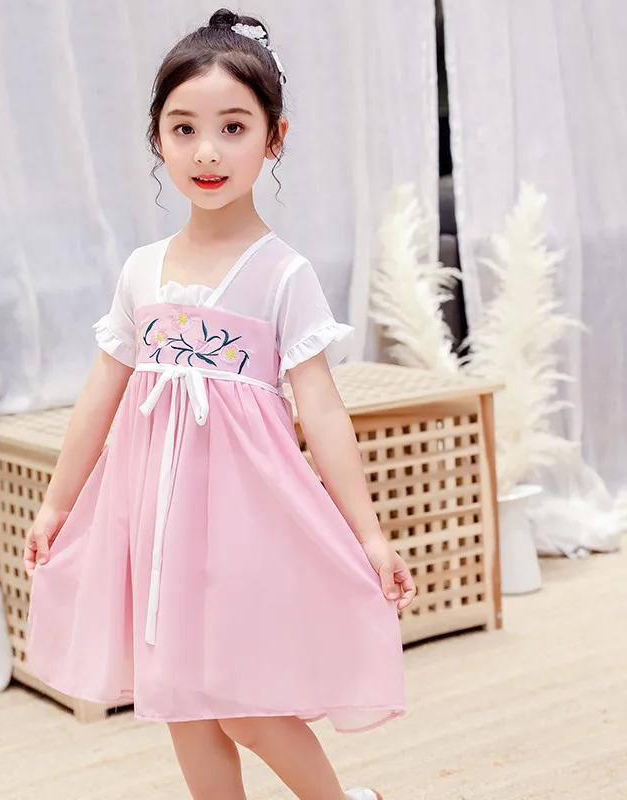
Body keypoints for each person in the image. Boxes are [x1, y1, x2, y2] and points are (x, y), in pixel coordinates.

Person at [24, 9, 415, 800]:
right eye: (184, 129)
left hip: (248, 524)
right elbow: (101, 393)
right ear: (158, 139)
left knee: (246, 705)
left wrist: (368, 531)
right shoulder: (141, 272)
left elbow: (322, 410)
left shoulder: (282, 274)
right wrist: (58, 503)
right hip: (158, 523)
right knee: (184, 706)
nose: (207, 151)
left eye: (233, 127)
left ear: (274, 138)